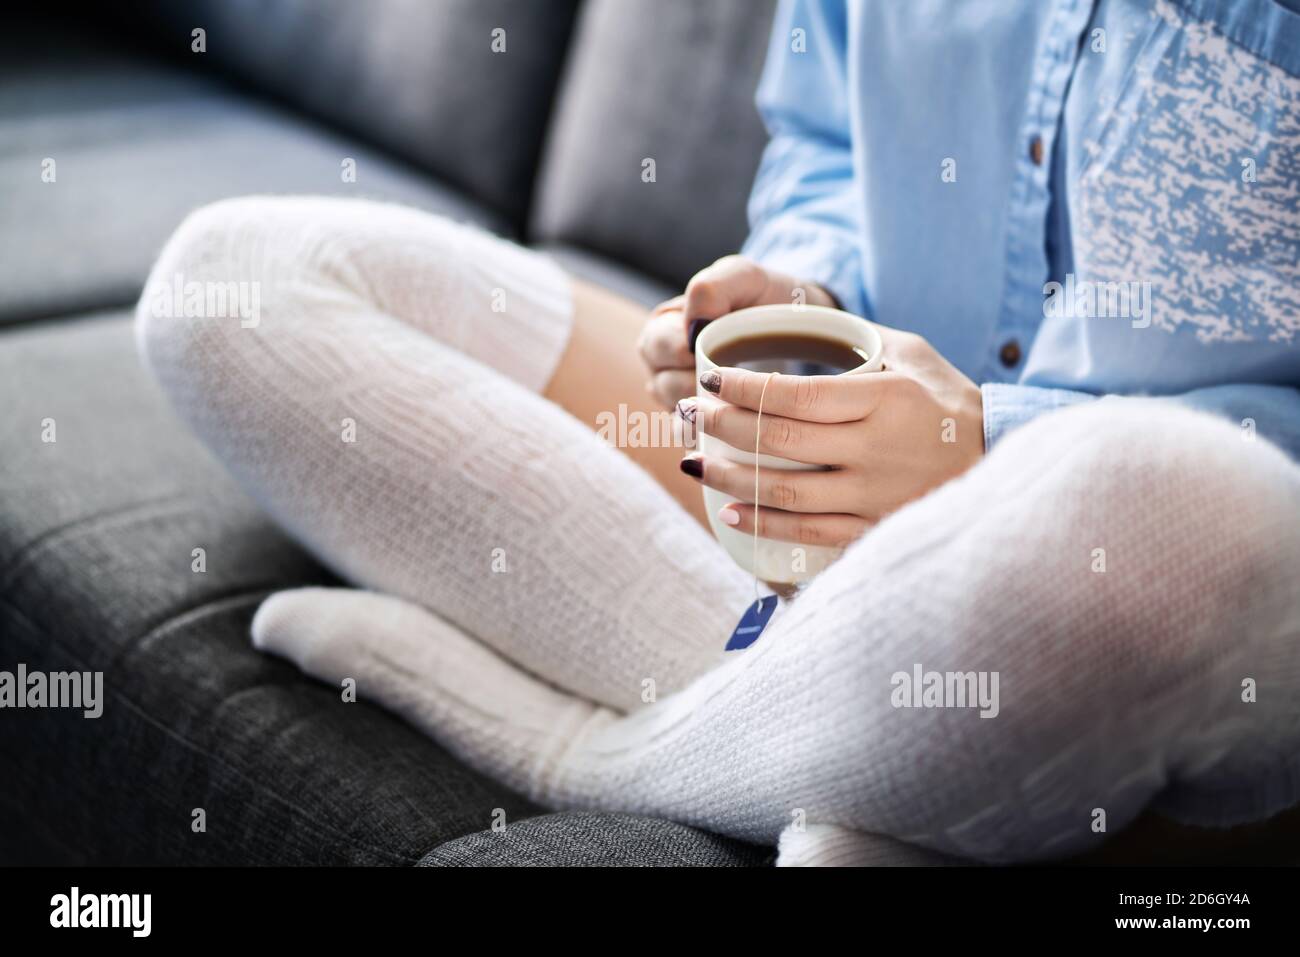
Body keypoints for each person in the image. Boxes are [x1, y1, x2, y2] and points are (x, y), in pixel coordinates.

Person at [135, 0, 1300, 864]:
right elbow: (822, 142)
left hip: (1180, 582)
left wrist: (984, 442)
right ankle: (860, 753)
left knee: (1169, 501)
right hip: (821, 479)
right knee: (233, 287)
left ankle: (594, 757)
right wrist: (806, 300)